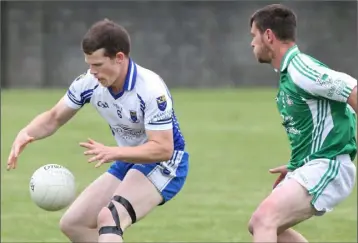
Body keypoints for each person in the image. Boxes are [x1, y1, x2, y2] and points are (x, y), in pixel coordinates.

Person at [6, 19, 189, 243]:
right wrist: (26, 133)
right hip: (128, 159)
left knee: (110, 219)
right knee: (74, 224)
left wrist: (114, 152)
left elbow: (163, 148)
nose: (92, 72)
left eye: (98, 65)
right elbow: (54, 117)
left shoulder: (151, 88)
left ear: (119, 58)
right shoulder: (89, 83)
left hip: (166, 163)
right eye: (89, 64)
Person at [248, 4, 357, 243]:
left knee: (264, 221)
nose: (252, 43)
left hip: (329, 165)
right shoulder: (291, 72)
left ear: (268, 36)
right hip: (315, 165)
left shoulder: (301, 68)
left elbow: (352, 90)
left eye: (254, 35)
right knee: (260, 225)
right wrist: (298, 164)